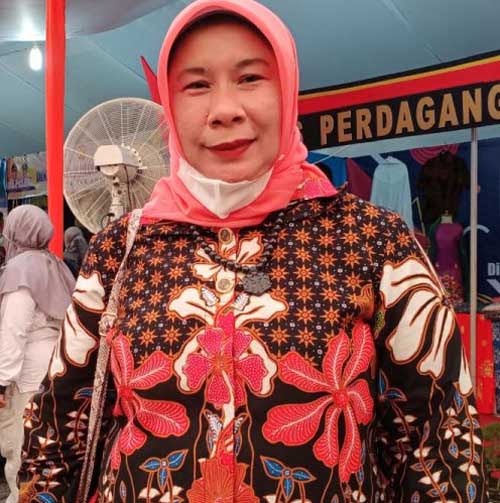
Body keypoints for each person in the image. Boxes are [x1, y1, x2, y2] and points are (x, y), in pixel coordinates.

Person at [19, 1, 486, 502]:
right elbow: (57, 434)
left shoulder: (371, 241)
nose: (225, 110)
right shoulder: (122, 251)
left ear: (287, 91)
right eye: (196, 85)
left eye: (250, 78)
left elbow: (437, 445)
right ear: (169, 107)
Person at [0, 205, 75, 503]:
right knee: (48, 450)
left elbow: (14, 330)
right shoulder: (56, 265)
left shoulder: (19, 269)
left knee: (20, 450)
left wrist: (2, 382)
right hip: (58, 368)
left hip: (27, 375)